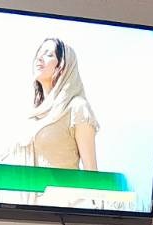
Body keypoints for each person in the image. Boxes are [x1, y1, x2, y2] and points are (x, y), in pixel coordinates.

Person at [11, 37, 99, 172]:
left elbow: (91, 171)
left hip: (63, 186)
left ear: (62, 67)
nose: (39, 58)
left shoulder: (77, 108)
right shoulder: (31, 116)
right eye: (39, 53)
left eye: (49, 54)